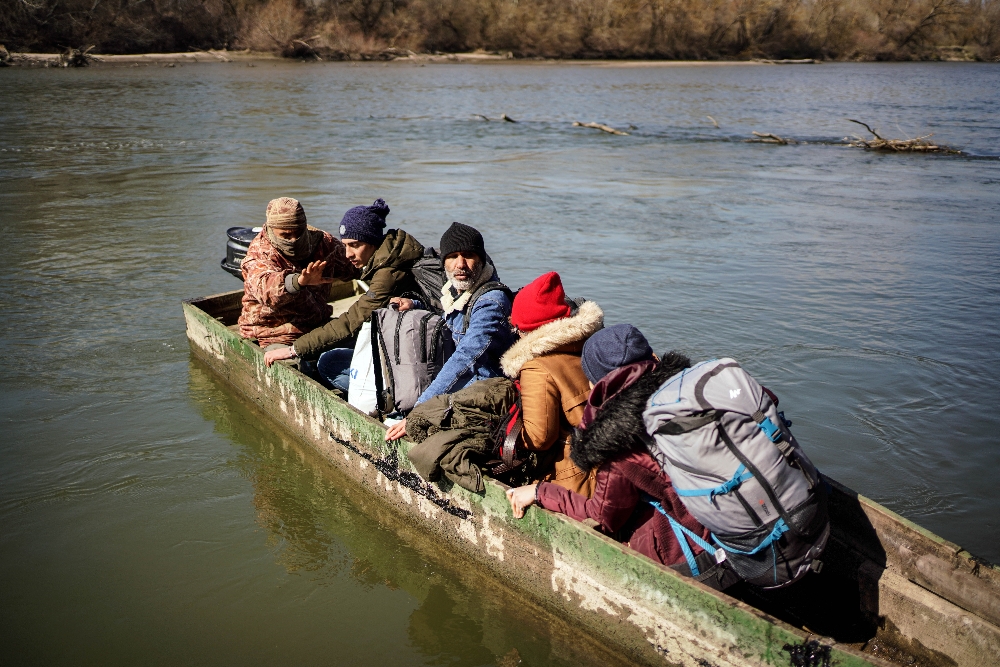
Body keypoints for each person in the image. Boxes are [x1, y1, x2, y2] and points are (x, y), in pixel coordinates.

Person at [506, 325, 737, 590]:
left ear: (598, 384)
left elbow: (604, 517)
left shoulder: (620, 442)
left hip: (698, 556)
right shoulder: (693, 394)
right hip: (745, 527)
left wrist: (539, 492)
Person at [263, 199, 424, 393]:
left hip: (410, 355)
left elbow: (349, 322)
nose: (347, 254)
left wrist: (293, 350)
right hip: (407, 343)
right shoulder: (394, 254)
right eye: (345, 245)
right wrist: (300, 282)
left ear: (372, 241)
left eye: (354, 245)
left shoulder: (388, 275)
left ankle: (387, 398)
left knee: (327, 364)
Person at [386, 222, 515, 441]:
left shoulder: (491, 302)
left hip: (485, 392)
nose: (460, 264)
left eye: (468, 255)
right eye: (453, 256)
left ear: (482, 260)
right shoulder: (456, 292)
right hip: (462, 382)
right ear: (443, 262)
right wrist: (416, 304)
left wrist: (421, 408)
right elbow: (449, 313)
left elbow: (465, 356)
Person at [498, 272, 603, 496]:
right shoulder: (589, 346)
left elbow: (539, 439)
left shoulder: (537, 368)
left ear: (528, 329)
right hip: (605, 467)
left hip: (573, 479)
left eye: (517, 328)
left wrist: (503, 432)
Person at [238, 197, 356, 349]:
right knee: (292, 366)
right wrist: (299, 282)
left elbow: (353, 265)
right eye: (285, 236)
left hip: (317, 325)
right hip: (274, 333)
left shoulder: (323, 242)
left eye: (298, 233)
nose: (293, 240)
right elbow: (268, 290)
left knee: (365, 343)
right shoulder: (259, 253)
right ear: (271, 229)